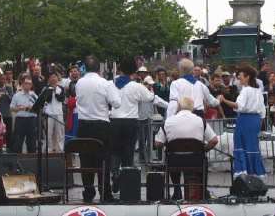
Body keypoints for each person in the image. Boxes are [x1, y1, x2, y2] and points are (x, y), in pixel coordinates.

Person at [109, 57, 168, 194]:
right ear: (134, 71)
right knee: (128, 151)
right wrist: (170, 105)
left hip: (115, 121)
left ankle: (115, 174)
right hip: (130, 122)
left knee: (115, 151)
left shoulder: (110, 84)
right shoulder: (137, 87)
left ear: (120, 69)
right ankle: (126, 180)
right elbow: (153, 98)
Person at [75, 55, 121, 203]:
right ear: (99, 68)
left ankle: (88, 192)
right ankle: (105, 193)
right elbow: (116, 102)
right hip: (101, 125)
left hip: (83, 125)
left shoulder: (79, 83)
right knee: (103, 159)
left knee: (86, 158)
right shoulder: (105, 83)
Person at [155, 96, 219, 200]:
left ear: (179, 106)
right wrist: (204, 149)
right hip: (196, 160)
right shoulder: (200, 121)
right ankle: (202, 192)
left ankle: (177, 191)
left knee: (171, 157)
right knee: (203, 160)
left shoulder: (168, 121)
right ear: (192, 108)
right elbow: (214, 140)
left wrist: (169, 144)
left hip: (175, 160)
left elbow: (158, 143)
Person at [219, 65, 266, 178]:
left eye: (240, 76)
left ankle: (245, 173)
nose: (239, 78)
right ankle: (254, 173)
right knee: (252, 146)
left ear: (247, 76)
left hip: (245, 119)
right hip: (255, 120)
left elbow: (239, 106)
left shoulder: (246, 90)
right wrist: (258, 125)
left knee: (241, 145)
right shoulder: (257, 91)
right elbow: (262, 111)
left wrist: (223, 100)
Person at [10, 76, 38, 153]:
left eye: (30, 84)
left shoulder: (34, 96)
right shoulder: (17, 95)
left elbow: (39, 108)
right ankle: (17, 160)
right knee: (18, 142)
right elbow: (11, 108)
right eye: (26, 83)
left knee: (32, 142)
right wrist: (22, 107)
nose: (28, 85)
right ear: (22, 84)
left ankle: (32, 161)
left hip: (31, 120)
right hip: (20, 120)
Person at [44, 73, 65, 152]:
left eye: (54, 77)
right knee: (48, 132)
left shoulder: (61, 88)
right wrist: (51, 90)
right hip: (49, 113)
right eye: (51, 77)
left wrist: (56, 92)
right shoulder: (46, 88)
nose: (52, 79)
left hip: (59, 112)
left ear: (57, 78)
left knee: (60, 132)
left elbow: (61, 99)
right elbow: (48, 100)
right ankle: (49, 148)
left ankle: (60, 148)